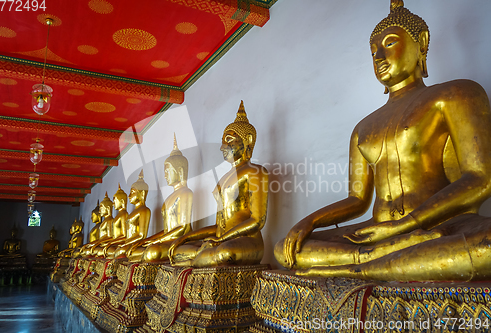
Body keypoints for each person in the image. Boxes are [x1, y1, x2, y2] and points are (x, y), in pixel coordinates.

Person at [274, 0, 491, 281]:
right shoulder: (363, 128)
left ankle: (355, 268)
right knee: (286, 248)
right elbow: (356, 199)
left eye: (389, 43)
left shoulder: (455, 94)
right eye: (373, 49)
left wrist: (407, 224)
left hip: (441, 226)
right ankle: (383, 259)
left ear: (421, 43)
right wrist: (308, 222)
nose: (378, 55)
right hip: (376, 232)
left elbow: (481, 178)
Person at [169, 101, 269, 267]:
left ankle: (199, 258)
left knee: (224, 252)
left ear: (248, 140)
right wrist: (186, 237)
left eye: (229, 140)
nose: (223, 146)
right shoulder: (223, 178)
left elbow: (257, 221)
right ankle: (199, 257)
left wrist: (222, 238)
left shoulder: (255, 172)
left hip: (246, 242)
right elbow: (218, 226)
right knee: (181, 248)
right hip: (220, 241)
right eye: (223, 141)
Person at [126, 135, 193, 262]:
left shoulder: (186, 193)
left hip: (180, 240)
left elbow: (183, 228)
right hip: (168, 239)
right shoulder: (169, 198)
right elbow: (167, 230)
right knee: (136, 250)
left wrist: (156, 241)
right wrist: (146, 241)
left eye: (167, 171)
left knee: (152, 252)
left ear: (179, 171)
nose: (165, 175)